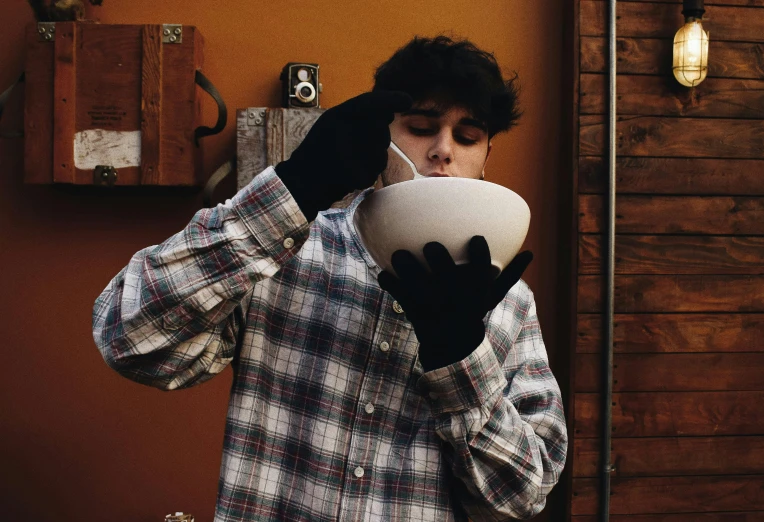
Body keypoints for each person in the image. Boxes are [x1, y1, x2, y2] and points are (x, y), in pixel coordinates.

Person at [93, 35, 567, 521]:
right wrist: (297, 186)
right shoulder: (290, 253)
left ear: (486, 158)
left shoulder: (508, 303)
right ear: (384, 135)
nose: (443, 150)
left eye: (467, 137)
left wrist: (463, 362)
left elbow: (525, 495)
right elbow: (129, 339)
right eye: (422, 128)